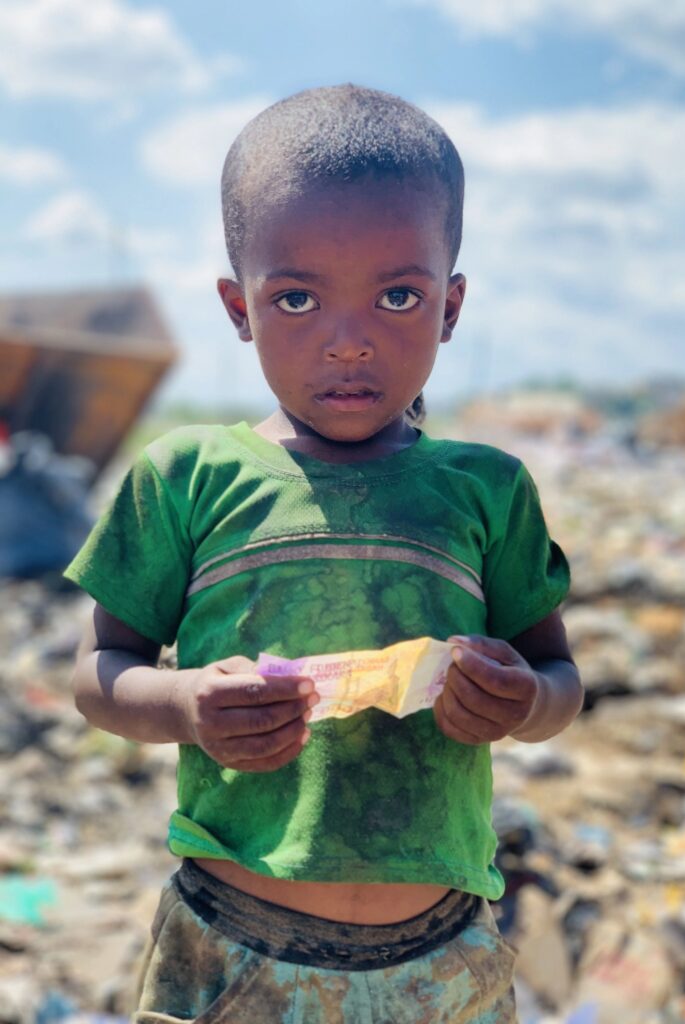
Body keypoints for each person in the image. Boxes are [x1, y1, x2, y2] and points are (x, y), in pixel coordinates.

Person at [66, 84, 583, 1024]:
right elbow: (102, 675)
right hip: (232, 950)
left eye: (398, 296)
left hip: (443, 961)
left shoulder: (487, 488)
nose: (349, 343)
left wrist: (523, 697)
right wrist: (185, 704)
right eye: (297, 298)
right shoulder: (188, 477)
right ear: (239, 307)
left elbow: (557, 677)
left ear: (452, 305)